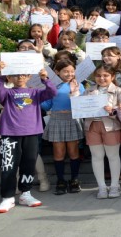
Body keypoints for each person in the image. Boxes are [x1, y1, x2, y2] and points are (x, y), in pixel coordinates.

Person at [0, 65, 57, 213]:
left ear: (29, 76)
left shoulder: (35, 92)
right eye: (15, 75)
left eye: (23, 75)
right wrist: (1, 75)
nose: (20, 77)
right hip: (10, 133)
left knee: (29, 163)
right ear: (10, 77)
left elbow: (52, 92)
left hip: (32, 132)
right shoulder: (7, 93)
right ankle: (7, 197)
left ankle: (25, 193)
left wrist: (44, 79)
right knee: (8, 166)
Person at [83, 64, 121, 199]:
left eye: (106, 75)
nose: (102, 78)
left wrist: (113, 110)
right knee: (96, 156)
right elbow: (79, 107)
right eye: (98, 75)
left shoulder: (120, 91)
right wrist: (74, 95)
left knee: (113, 156)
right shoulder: (88, 91)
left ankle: (114, 185)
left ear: (112, 76)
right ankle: (102, 186)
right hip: (92, 126)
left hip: (111, 126)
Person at [42, 60, 85, 195]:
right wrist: (36, 96)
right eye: (65, 71)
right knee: (59, 152)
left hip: (72, 119)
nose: (69, 74)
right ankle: (60, 180)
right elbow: (46, 105)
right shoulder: (52, 86)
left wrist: (74, 92)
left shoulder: (80, 85)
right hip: (56, 119)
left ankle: (74, 179)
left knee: (73, 152)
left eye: (72, 71)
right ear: (57, 72)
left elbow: (83, 106)